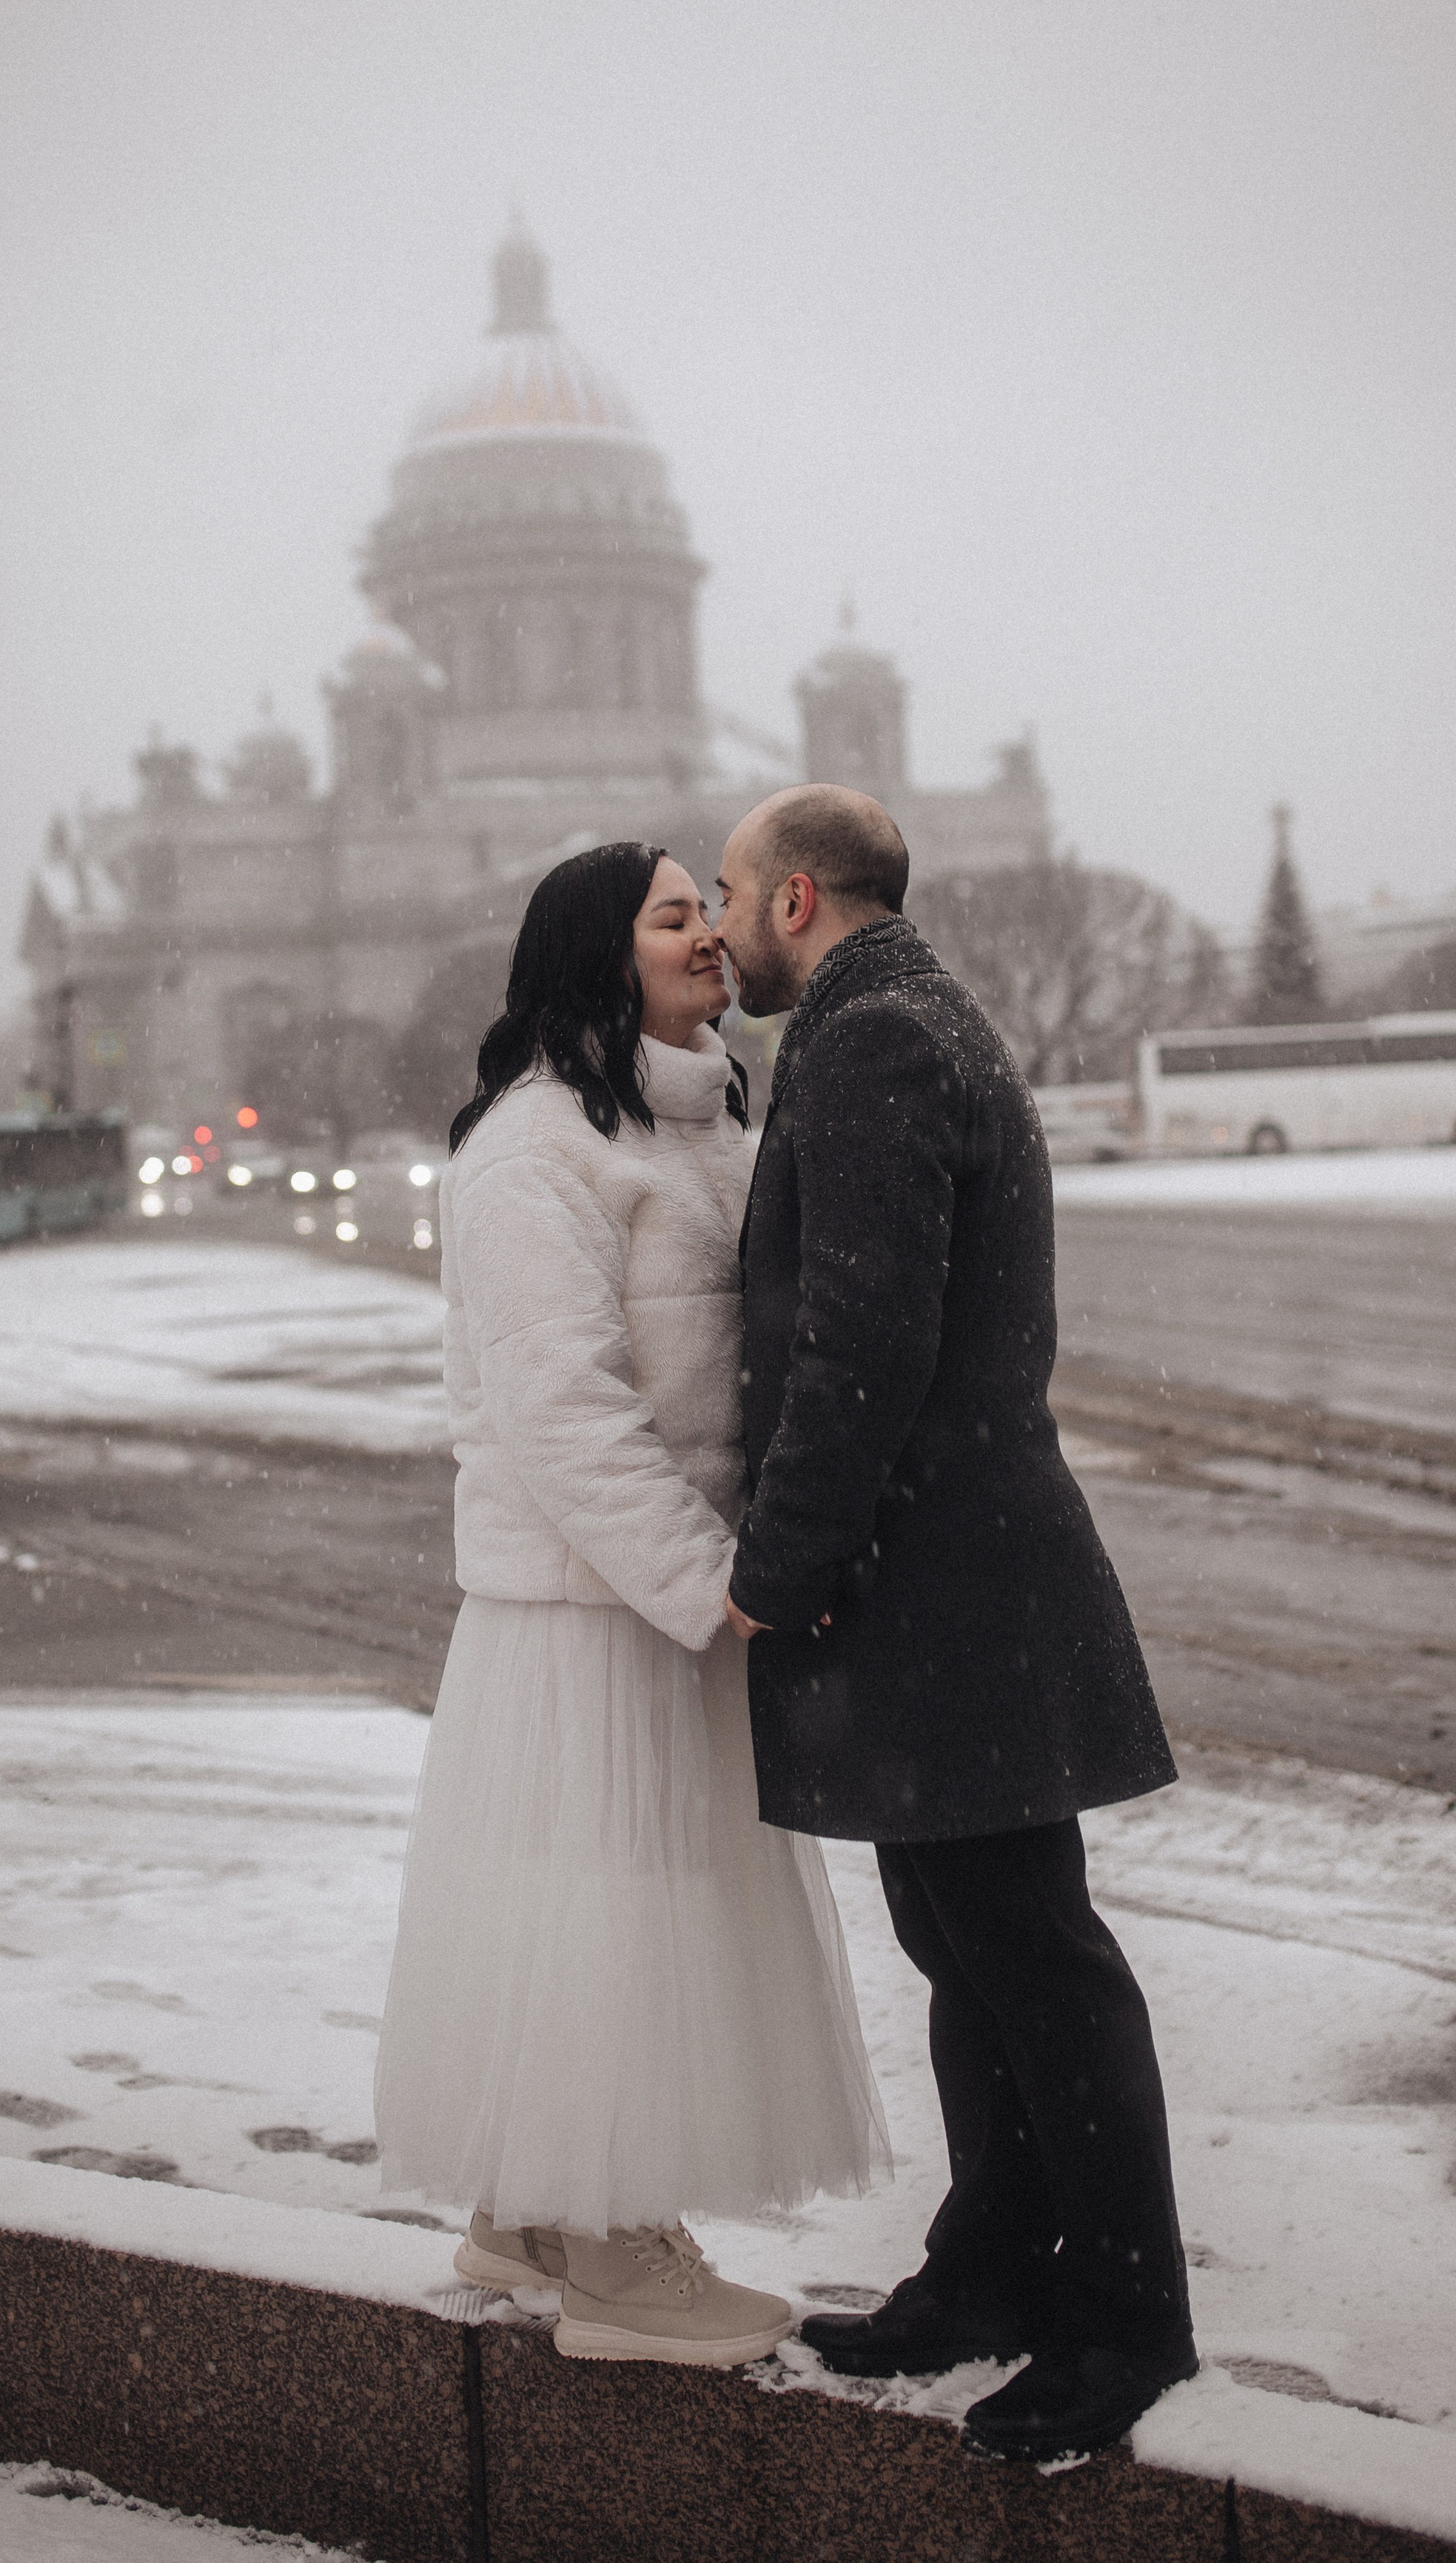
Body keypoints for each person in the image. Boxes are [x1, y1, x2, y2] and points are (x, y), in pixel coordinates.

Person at [713, 784, 1198, 2462]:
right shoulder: (913, 1019)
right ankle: (990, 2267)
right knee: (966, 1949)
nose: (712, 926)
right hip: (954, 1574)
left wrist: (774, 1562)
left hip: (945, 1584)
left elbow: (861, 1340)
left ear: (793, 899)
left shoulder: (869, 1046)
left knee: (1035, 1965)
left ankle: (1124, 2327)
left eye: (725, 892)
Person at [374, 840, 888, 2369]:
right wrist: (704, 1580)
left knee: (608, 1908)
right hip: (597, 1614)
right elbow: (559, 1409)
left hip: (661, 1599)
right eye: (672, 917)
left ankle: (531, 2217)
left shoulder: (696, 1120)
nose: (710, 936)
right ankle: (611, 2261)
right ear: (596, 953)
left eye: (706, 909)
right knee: (608, 1916)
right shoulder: (536, 1146)